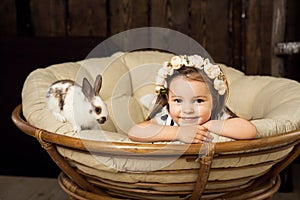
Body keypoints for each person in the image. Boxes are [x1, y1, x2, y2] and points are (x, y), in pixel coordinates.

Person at [128, 55, 257, 143]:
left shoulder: (217, 116)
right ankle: (150, 101)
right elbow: (135, 132)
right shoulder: (167, 118)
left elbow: (249, 131)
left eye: (198, 101)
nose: (188, 110)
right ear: (168, 99)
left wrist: (207, 126)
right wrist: (178, 133)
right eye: (178, 101)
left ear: (214, 101)